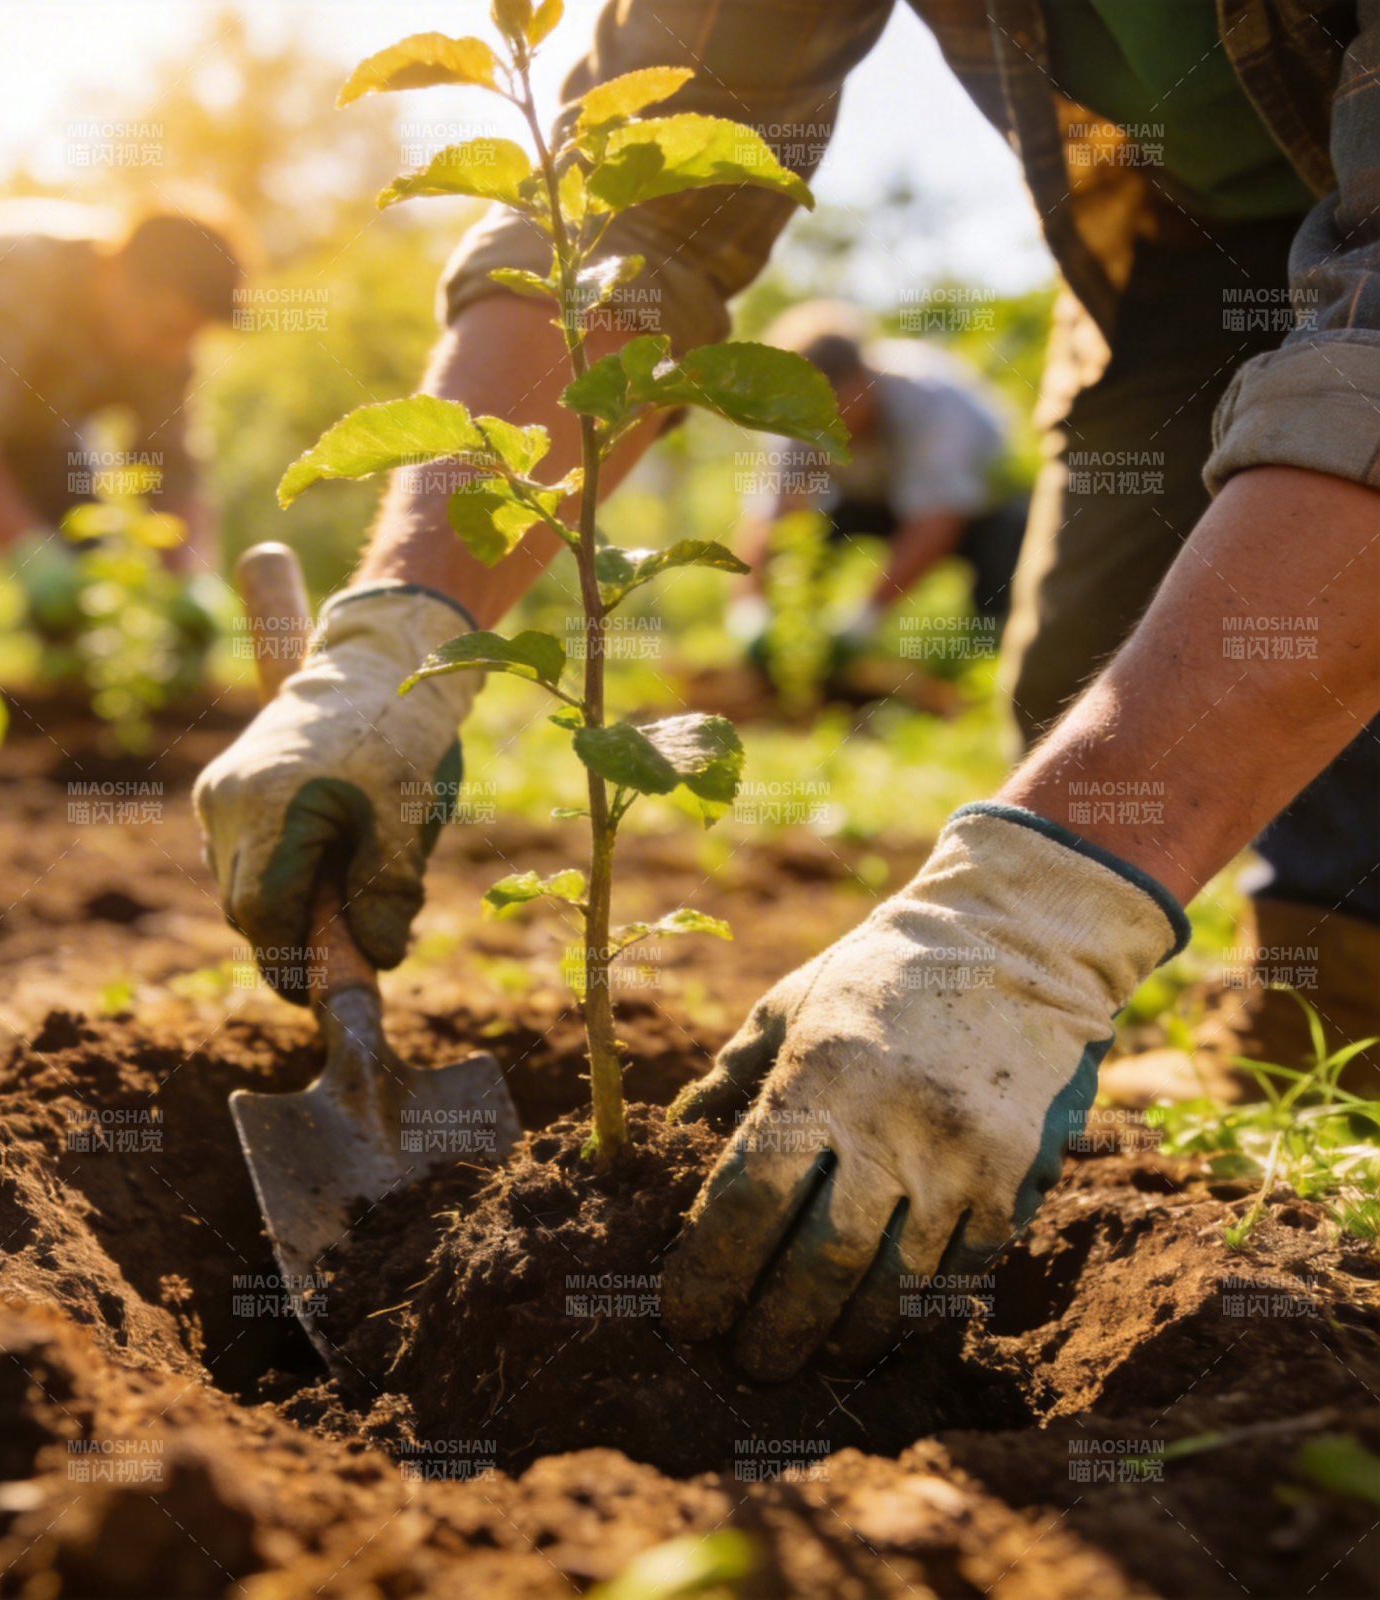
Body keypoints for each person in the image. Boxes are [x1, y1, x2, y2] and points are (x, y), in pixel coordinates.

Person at [194, 0, 1380, 1380]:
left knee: (1296, 627)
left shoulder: (925, 416)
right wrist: (398, 632)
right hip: (1172, 241)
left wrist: (1037, 924)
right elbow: (628, 221)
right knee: (1084, 679)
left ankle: (1333, 1022)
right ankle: (1025, 1085)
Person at [0, 209, 243, 620]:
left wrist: (188, 575)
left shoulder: (165, 342)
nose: (175, 352)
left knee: (91, 544)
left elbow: (174, 467)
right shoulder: (17, 280)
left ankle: (78, 668)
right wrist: (31, 554)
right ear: (116, 272)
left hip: (41, 419)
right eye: (167, 328)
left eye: (189, 336)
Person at [733, 301, 1028, 658]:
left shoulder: (930, 400)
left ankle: (991, 652)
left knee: (1007, 542)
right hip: (877, 501)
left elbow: (937, 520)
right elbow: (774, 514)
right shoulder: (794, 415)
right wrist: (748, 612)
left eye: (837, 411)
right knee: (808, 535)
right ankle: (799, 645)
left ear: (862, 377)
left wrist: (863, 620)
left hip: (977, 507)